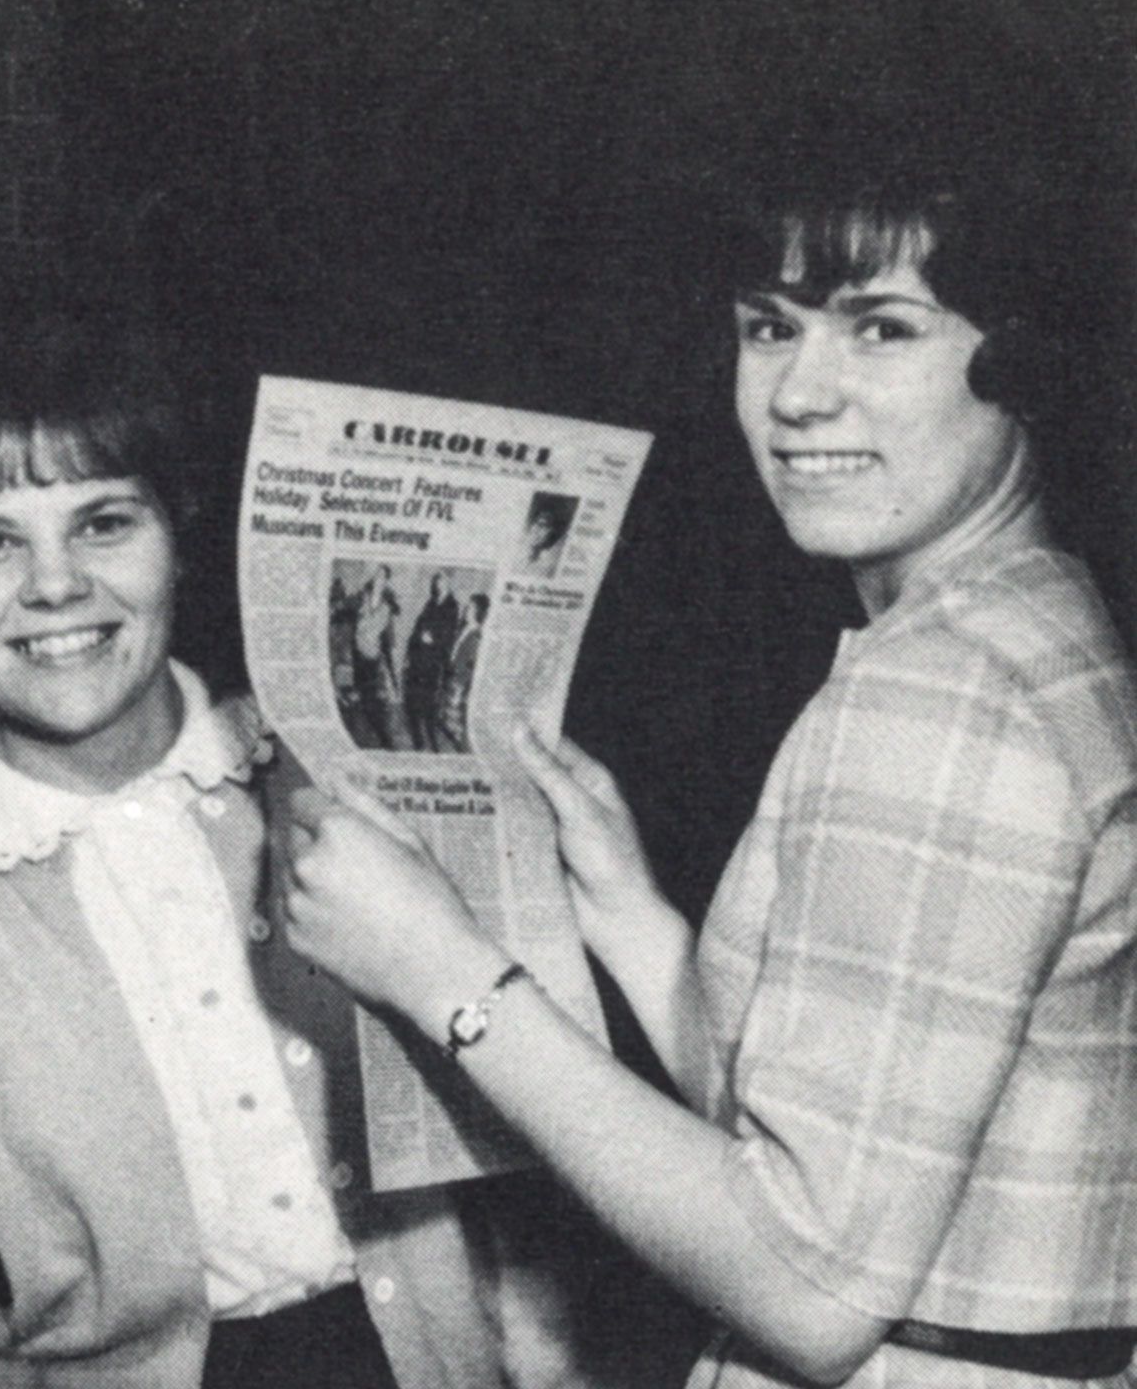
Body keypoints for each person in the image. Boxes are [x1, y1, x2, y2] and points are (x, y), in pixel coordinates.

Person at [280, 127, 1137, 1386]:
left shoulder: (938, 693)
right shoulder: (1032, 613)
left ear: (1024, 360)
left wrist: (440, 972)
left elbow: (808, 1288)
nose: (796, 394)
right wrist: (635, 923)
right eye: (769, 326)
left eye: (881, 328)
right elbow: (846, 1136)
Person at [0, 291, 642, 1389]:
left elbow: (523, 1163)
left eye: (105, 521)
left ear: (181, 532)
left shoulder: (335, 780)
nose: (55, 583)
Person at [403, 570, 459, 750]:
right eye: (437, 581)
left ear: (449, 583)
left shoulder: (453, 606)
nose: (439, 584)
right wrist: (408, 654)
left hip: (433, 663)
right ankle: (418, 742)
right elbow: (417, 627)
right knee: (411, 701)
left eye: (443, 581)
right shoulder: (430, 602)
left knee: (428, 705)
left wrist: (433, 639)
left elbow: (449, 635)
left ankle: (433, 742)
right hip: (417, 660)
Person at [349, 565, 401, 749]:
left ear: (386, 581)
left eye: (382, 576)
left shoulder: (386, 607)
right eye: (376, 574)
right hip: (357, 655)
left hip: (371, 658)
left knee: (372, 700)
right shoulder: (363, 597)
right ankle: (368, 736)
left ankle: (385, 738)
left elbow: (380, 636)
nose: (377, 578)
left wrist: (393, 678)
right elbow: (354, 623)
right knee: (362, 698)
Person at [437, 593, 488, 753]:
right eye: (468, 606)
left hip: (459, 682)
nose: (467, 609)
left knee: (455, 724)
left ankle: (463, 752)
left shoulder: (477, 635)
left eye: (471, 607)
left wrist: (460, 685)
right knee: (447, 720)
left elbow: (470, 666)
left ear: (478, 611)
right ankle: (458, 746)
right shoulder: (464, 628)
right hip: (452, 678)